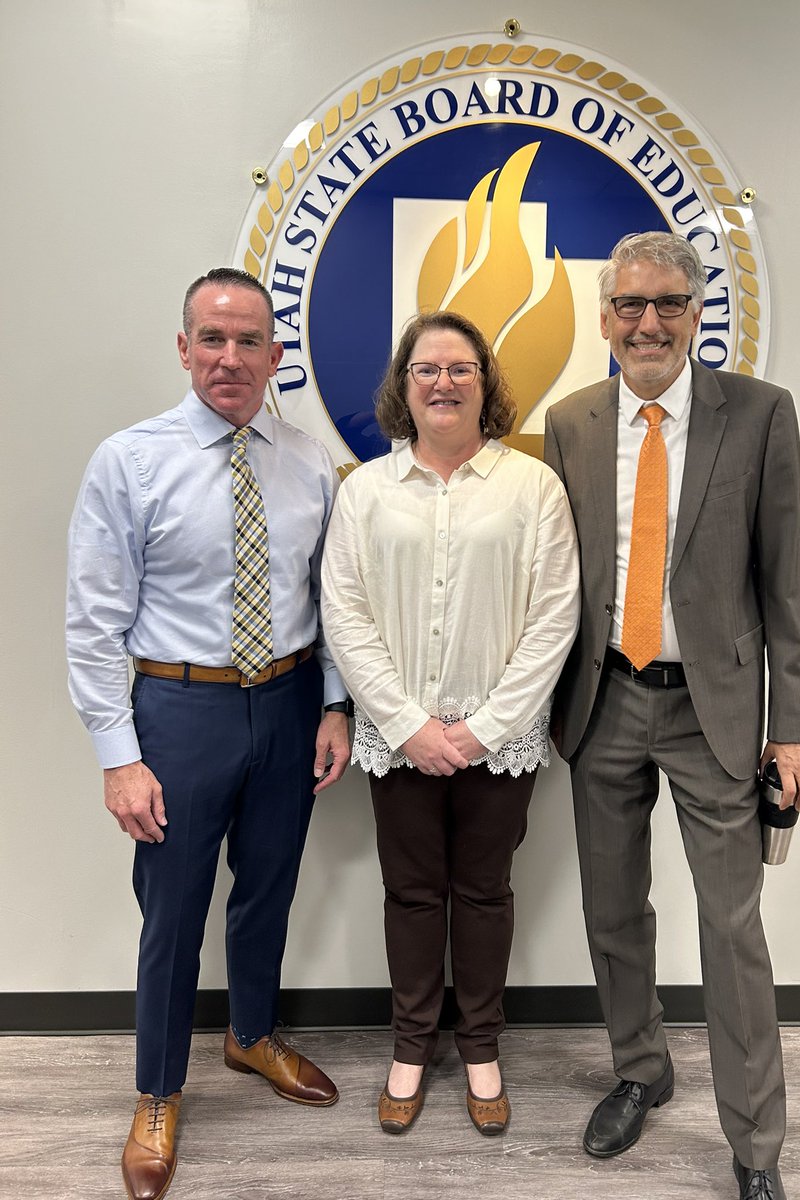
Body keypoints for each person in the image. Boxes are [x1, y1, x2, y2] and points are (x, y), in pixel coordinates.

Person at [544, 232, 800, 1200]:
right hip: (604, 700)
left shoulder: (758, 414)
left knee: (731, 925)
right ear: (605, 316)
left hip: (718, 712)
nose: (647, 322)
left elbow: (786, 577)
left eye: (667, 304)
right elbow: (556, 582)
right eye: (629, 305)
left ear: (698, 312)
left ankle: (756, 1145)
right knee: (614, 911)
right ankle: (640, 1069)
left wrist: (794, 724)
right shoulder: (571, 420)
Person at [66, 267, 350, 1200]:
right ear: (183, 347)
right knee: (174, 913)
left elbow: (331, 600)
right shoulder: (129, 461)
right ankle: (156, 1091)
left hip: (289, 699)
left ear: (276, 355)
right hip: (178, 713)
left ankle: (252, 1034)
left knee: (268, 889)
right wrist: (119, 757)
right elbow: (93, 620)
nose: (230, 359)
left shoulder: (309, 463)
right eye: (211, 339)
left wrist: (336, 704)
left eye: (248, 341)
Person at [321, 310, 579, 1137]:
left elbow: (554, 618)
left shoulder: (531, 487)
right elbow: (345, 614)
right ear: (403, 385)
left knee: (485, 892)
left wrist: (483, 729)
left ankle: (479, 1047)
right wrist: (406, 724)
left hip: (499, 739)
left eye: (460, 368)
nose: (442, 381)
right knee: (410, 893)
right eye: (426, 368)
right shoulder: (365, 491)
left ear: (484, 382)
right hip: (398, 739)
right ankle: (409, 1046)